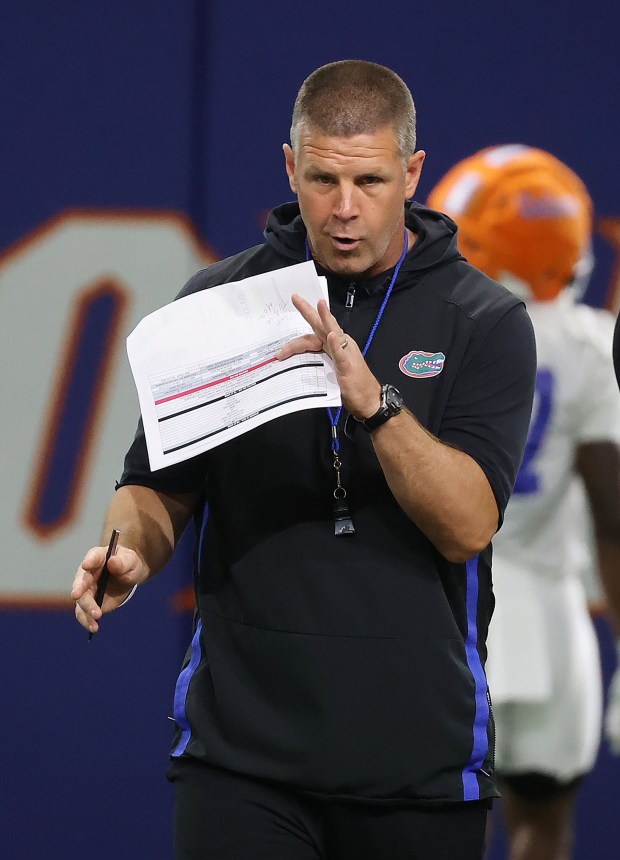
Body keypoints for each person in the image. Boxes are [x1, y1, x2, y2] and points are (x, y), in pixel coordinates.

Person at [72, 61, 536, 860]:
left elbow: (466, 526)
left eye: (370, 181)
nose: (345, 208)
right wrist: (128, 552)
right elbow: (155, 485)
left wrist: (375, 403)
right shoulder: (216, 305)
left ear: (413, 175)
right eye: (323, 178)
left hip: (418, 771)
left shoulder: (483, 322)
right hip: (240, 762)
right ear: (291, 166)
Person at [428, 145, 620, 860]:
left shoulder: (440, 326)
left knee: (437, 825)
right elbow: (613, 516)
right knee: (542, 829)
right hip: (551, 617)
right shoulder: (591, 347)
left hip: (444, 608)